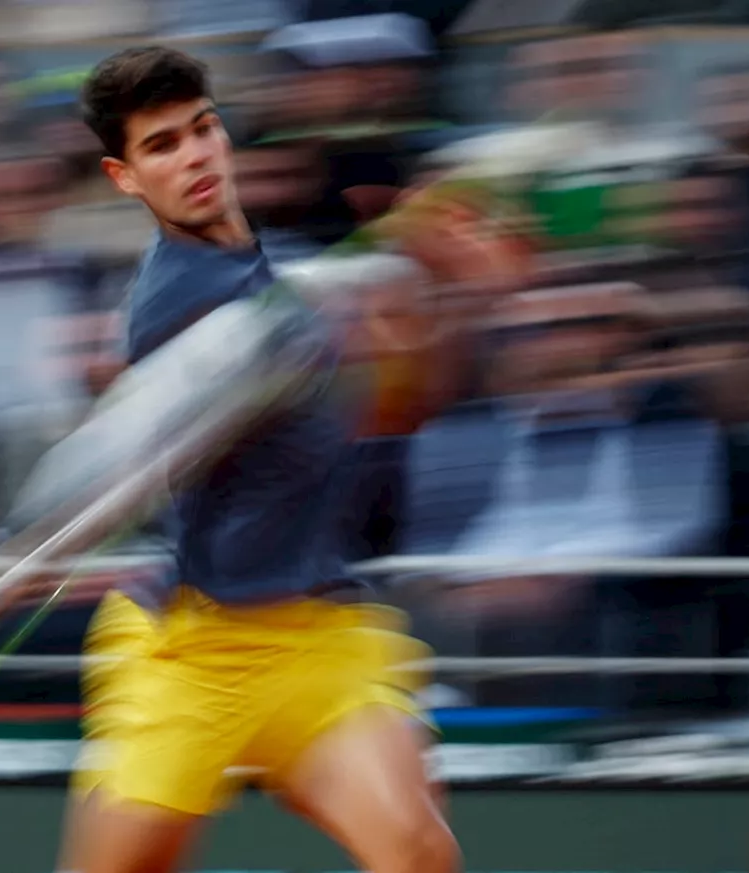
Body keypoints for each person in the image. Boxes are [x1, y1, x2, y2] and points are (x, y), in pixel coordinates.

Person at [54, 46, 470, 873]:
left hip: (317, 637)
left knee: (420, 854)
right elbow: (286, 340)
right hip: (191, 652)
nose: (195, 155)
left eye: (202, 129)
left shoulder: (278, 265)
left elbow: (378, 416)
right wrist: (394, 273)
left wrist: (420, 318)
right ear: (125, 177)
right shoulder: (178, 298)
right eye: (162, 146)